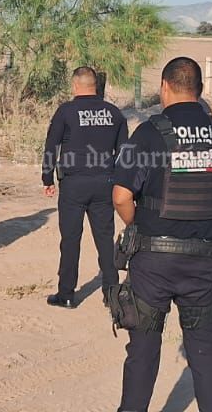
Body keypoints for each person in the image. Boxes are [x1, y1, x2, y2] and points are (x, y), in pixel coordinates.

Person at [112, 56, 212, 412]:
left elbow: (120, 196)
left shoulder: (148, 133)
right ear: (200, 89)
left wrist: (136, 227)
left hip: (152, 264)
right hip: (203, 264)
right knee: (204, 351)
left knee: (143, 353)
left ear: (164, 87)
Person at [41, 66, 127, 308]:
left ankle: (67, 294)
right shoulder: (114, 113)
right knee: (105, 239)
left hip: (73, 185)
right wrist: (119, 180)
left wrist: (47, 178)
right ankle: (111, 293)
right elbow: (124, 152)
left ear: (75, 86)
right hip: (105, 183)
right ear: (95, 86)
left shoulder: (66, 111)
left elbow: (51, 146)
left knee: (70, 239)